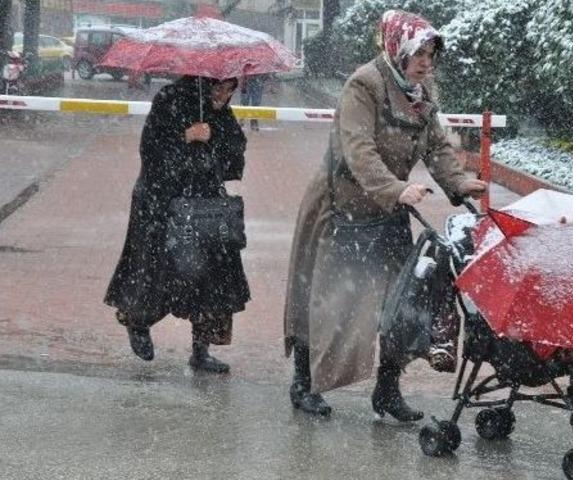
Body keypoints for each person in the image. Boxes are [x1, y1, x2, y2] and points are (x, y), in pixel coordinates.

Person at [282, 10, 487, 419]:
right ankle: (304, 384)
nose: (426, 62)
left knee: (402, 302)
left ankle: (387, 391)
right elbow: (359, 151)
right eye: (419, 53)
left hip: (390, 208)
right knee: (329, 299)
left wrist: (459, 183)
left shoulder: (421, 94)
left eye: (431, 54)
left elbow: (437, 147)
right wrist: (396, 189)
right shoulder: (364, 85)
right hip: (341, 207)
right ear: (397, 49)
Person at [105, 75, 250, 373]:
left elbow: (236, 153)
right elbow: (150, 150)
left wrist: (215, 139)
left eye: (229, 91)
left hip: (205, 206)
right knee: (157, 269)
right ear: (203, 83)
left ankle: (201, 350)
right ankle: (138, 321)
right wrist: (186, 137)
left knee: (212, 275)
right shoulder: (169, 100)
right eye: (218, 89)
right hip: (161, 203)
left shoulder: (222, 112)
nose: (223, 97)